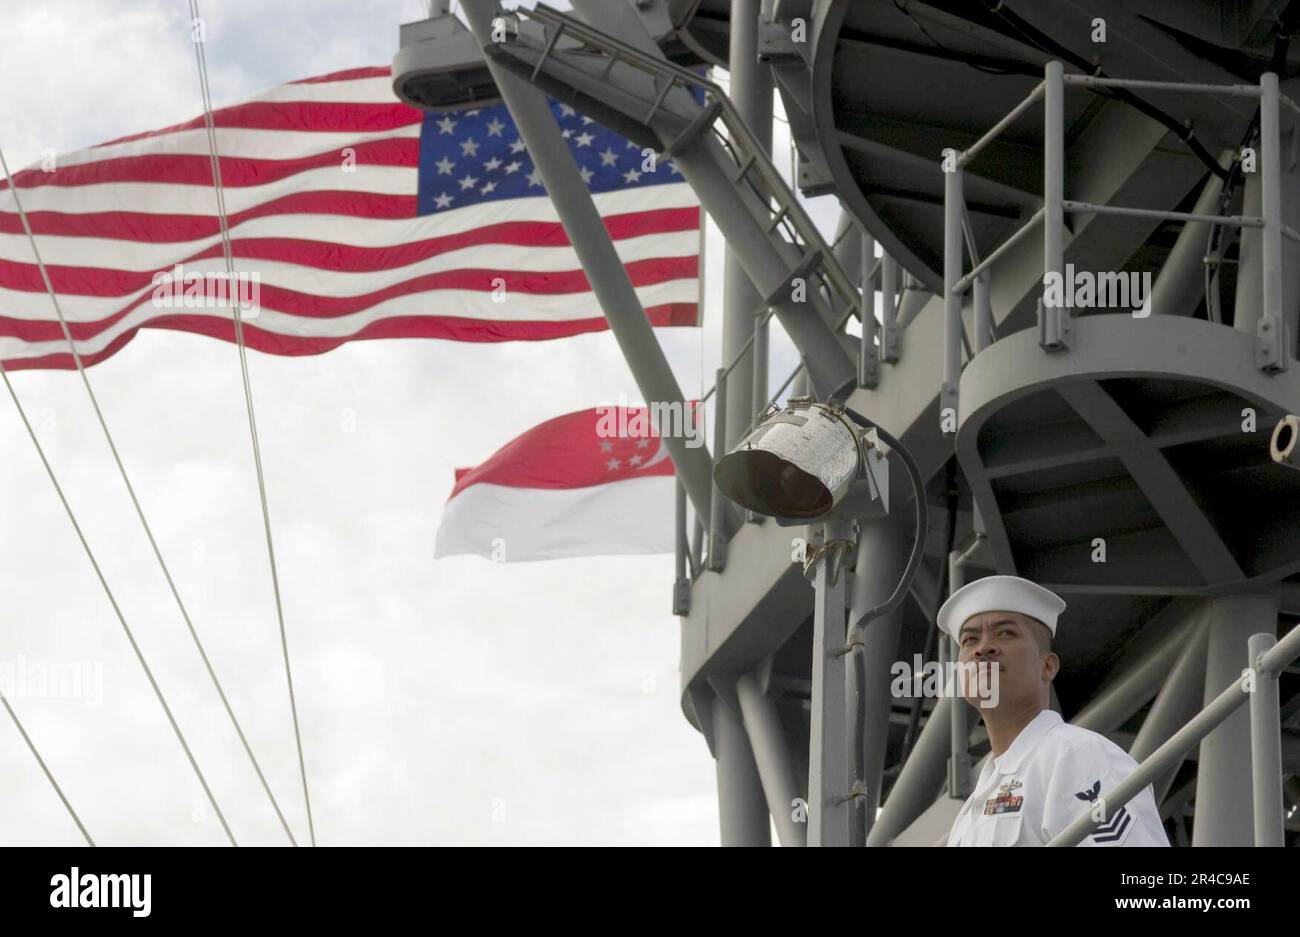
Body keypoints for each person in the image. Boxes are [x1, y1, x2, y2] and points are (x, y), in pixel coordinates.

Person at [938, 575, 1169, 847]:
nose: (982, 648)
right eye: (969, 640)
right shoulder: (972, 808)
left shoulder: (1080, 757)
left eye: (1005, 633)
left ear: (1047, 666)